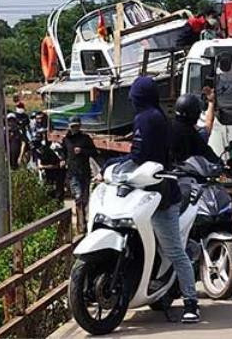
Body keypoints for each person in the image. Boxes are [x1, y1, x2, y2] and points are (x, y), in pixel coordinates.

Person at [107, 76, 200, 324]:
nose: (131, 99)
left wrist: (113, 163)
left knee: (174, 251)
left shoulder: (146, 119)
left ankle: (191, 302)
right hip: (149, 190)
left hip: (161, 195)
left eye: (133, 95)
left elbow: (141, 154)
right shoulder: (157, 116)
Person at [61, 116, 99, 205]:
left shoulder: (85, 138)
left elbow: (94, 152)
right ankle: (79, 215)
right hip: (72, 171)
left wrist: (82, 151)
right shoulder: (66, 139)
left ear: (80, 126)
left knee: (85, 198)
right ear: (69, 127)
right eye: (72, 126)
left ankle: (83, 217)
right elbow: (63, 152)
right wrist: (63, 160)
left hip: (84, 171)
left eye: (76, 126)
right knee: (77, 196)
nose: (75, 128)